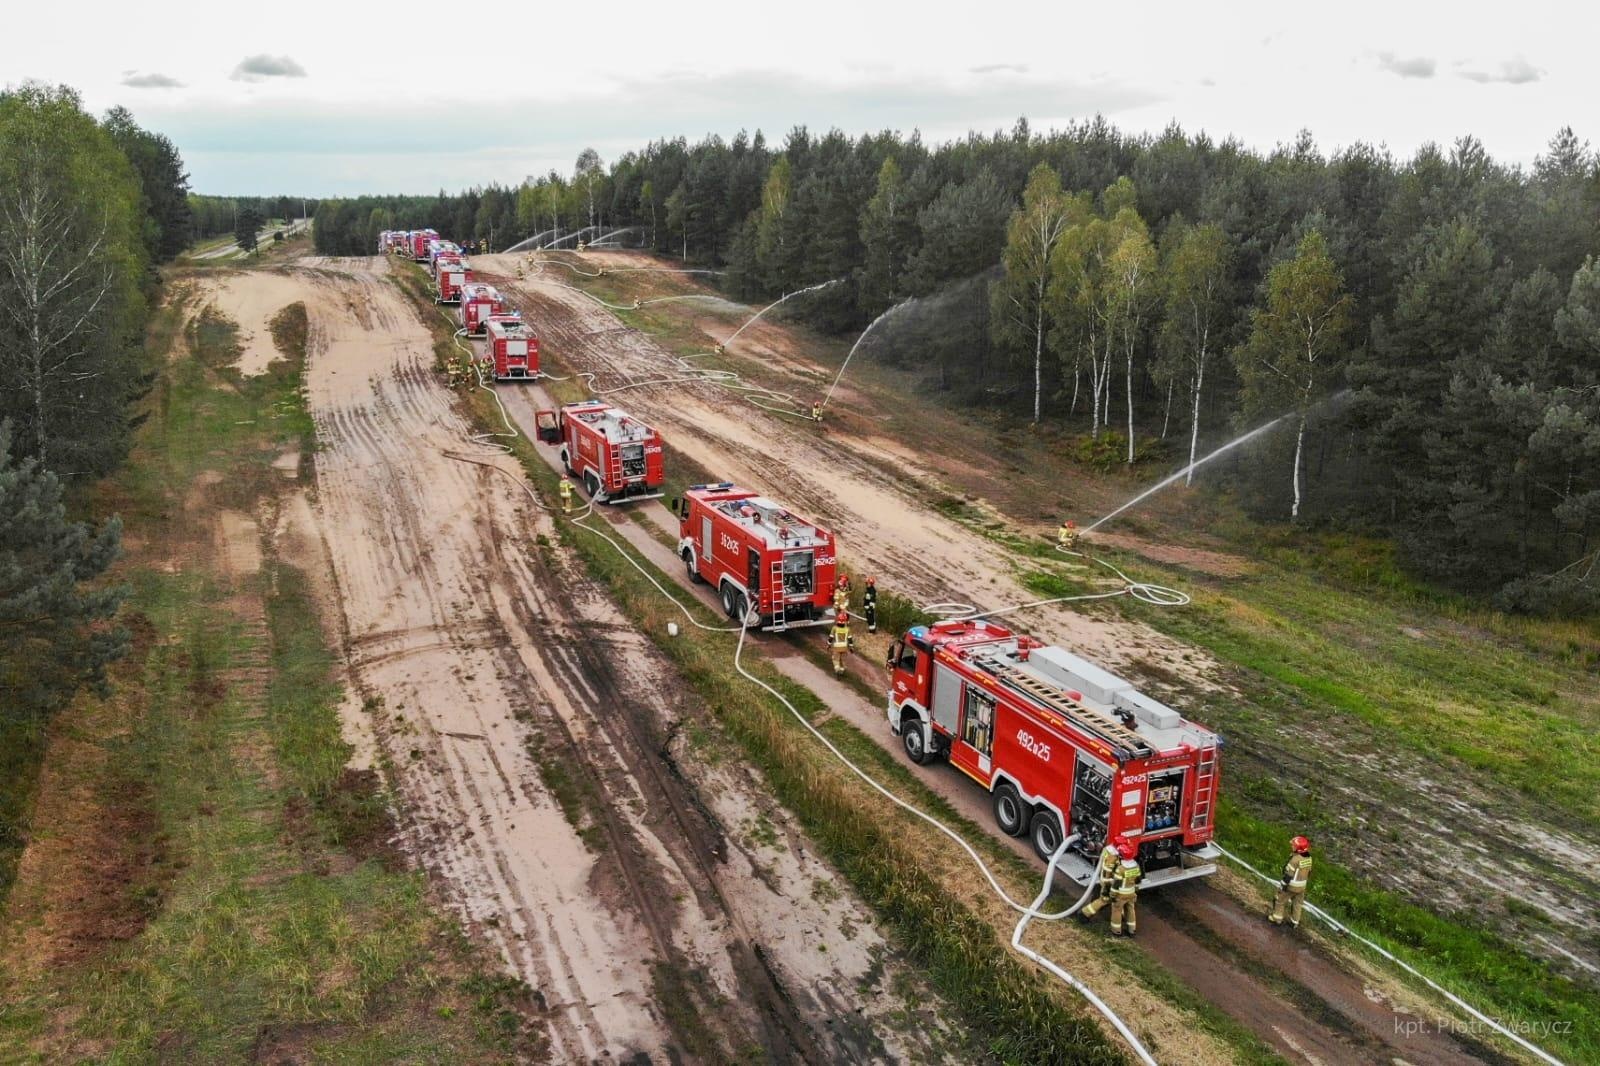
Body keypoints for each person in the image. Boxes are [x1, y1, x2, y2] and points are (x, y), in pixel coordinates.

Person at [1270, 836, 1314, 928]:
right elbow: (1309, 872)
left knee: (1280, 900)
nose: (1292, 846)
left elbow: (1288, 876)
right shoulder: (1309, 858)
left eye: (1294, 846)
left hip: (1292, 886)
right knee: (1298, 903)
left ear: (1299, 849)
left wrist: (1282, 886)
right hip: (1302, 886)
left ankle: (1277, 919)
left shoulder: (1295, 860)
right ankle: (1294, 922)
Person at [1079, 835, 1126, 921]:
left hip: (1109, 881)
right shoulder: (1113, 857)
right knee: (1105, 900)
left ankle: (1121, 915)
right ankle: (1084, 914)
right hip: (1109, 883)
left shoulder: (1108, 850)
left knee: (1118, 898)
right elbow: (1108, 872)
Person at [1107, 842, 1142, 935]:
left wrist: (1112, 895)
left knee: (1117, 911)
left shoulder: (1121, 869)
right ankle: (1132, 930)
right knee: (1131, 910)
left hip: (1120, 895)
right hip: (1131, 893)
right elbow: (1138, 880)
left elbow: (1116, 884)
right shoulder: (1136, 866)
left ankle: (1116, 931)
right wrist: (1135, 890)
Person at [830, 610, 853, 675]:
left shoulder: (834, 628)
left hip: (836, 647)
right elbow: (850, 639)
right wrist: (851, 648)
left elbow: (831, 638)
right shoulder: (847, 629)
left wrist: (828, 644)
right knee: (843, 660)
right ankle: (842, 670)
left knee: (835, 659)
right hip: (844, 647)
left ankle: (837, 669)